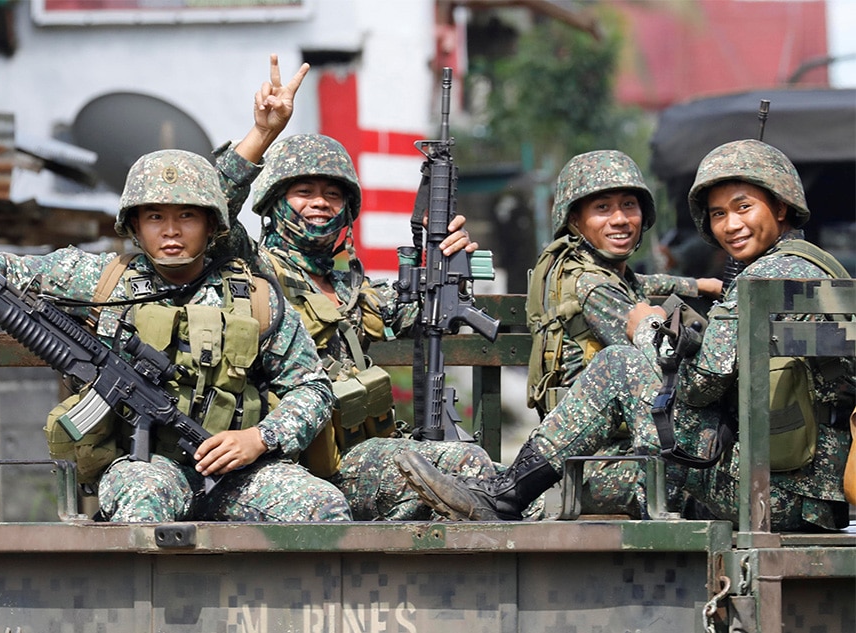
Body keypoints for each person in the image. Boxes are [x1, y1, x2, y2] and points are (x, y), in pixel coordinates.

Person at [0, 57, 353, 523]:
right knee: (142, 502)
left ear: (212, 224)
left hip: (238, 467)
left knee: (323, 507)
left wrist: (258, 439)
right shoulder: (106, 278)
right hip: (147, 466)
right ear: (134, 224)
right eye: (155, 216)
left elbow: (311, 388)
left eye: (187, 216)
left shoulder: (255, 296)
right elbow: (23, 271)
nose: (171, 231)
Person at [396, 139, 852, 531]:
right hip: (813, 498)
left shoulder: (761, 282)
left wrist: (648, 330)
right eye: (718, 214)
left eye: (743, 207)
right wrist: (698, 301)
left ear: (782, 206)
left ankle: (505, 497)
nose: (730, 225)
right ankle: (505, 494)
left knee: (620, 365)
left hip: (769, 498)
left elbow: (700, 385)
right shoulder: (819, 270)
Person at [213, 132, 497, 521]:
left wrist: (447, 266)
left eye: (333, 194)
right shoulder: (253, 268)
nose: (319, 203)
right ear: (274, 201)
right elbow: (213, 209)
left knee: (481, 473)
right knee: (466, 468)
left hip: (356, 457)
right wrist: (262, 135)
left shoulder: (355, 288)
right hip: (285, 461)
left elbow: (429, 319)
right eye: (303, 191)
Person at [524, 149, 721, 518]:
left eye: (629, 205)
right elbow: (663, 363)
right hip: (597, 456)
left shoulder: (588, 269)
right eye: (602, 208)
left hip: (604, 444)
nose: (620, 220)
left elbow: (641, 281)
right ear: (575, 220)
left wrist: (700, 284)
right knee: (713, 465)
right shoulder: (596, 289)